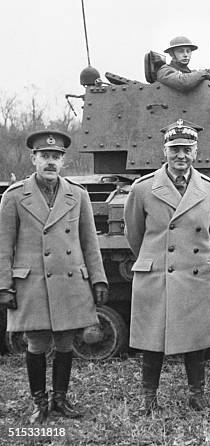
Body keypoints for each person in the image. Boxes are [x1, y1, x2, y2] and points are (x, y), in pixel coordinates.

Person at [0, 130, 108, 423]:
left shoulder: (78, 195)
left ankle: (60, 399)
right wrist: (4, 286)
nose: (50, 162)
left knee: (64, 342)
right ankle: (39, 402)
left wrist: (98, 279)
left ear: (63, 162)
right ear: (33, 159)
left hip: (69, 280)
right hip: (32, 283)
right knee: (36, 343)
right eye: (45, 156)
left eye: (56, 157)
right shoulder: (14, 196)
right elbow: (3, 245)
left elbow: (89, 242)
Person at [124, 119, 210, 414]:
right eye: (175, 149)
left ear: (196, 153)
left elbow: (209, 232)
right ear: (164, 151)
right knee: (152, 341)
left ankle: (197, 396)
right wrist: (158, 259)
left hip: (194, 272)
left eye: (187, 149)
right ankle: (149, 400)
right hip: (158, 274)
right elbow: (135, 234)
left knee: (196, 340)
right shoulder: (143, 189)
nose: (181, 155)